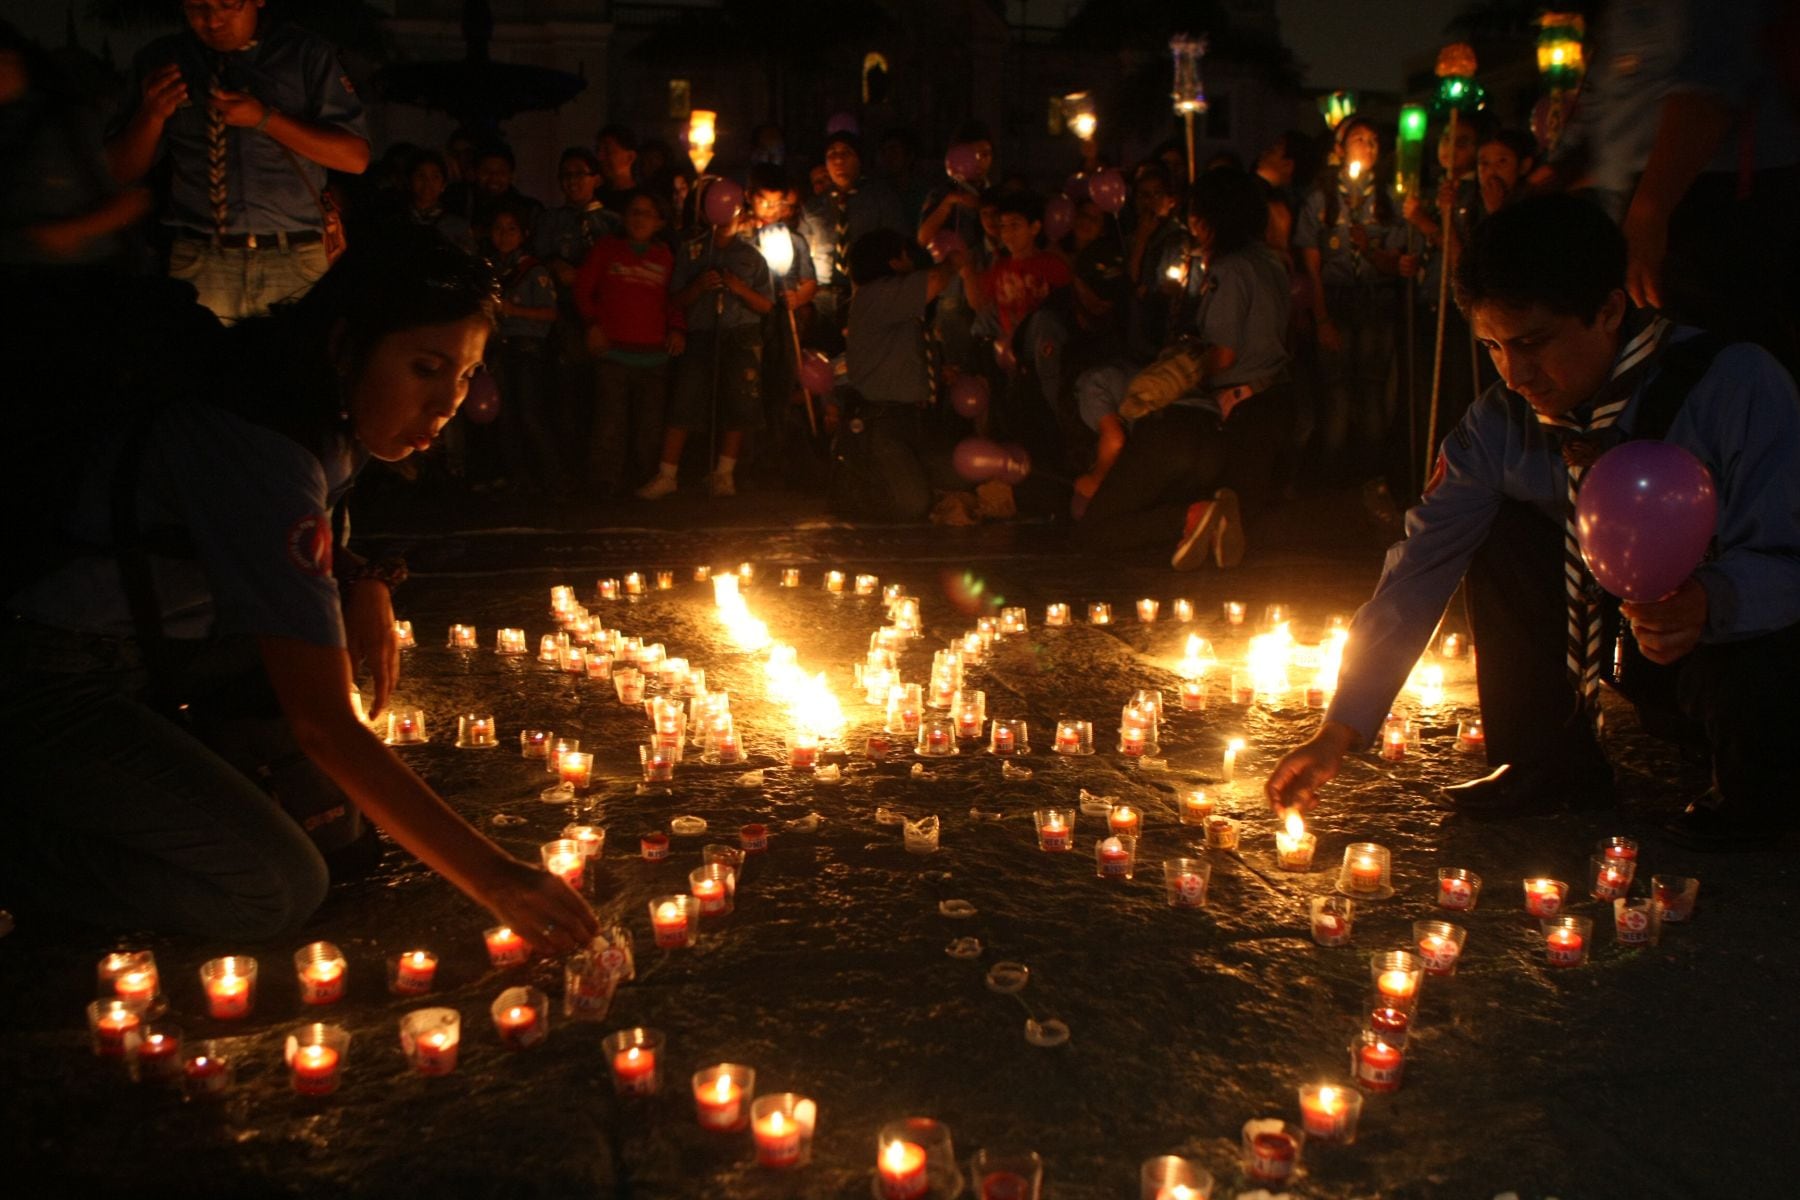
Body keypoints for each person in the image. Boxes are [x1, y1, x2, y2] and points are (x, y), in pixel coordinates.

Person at [0, 229, 603, 945]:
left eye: (467, 374)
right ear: (347, 346)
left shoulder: (317, 403)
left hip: (167, 651)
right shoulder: (258, 441)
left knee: (337, 835)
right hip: (49, 676)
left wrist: (365, 582)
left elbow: (301, 530)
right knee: (274, 883)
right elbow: (323, 723)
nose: (447, 402)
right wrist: (495, 878)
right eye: (424, 367)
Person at [1265, 194, 1800, 851]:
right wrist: (1339, 730)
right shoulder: (1500, 426)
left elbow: (1787, 554)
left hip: (1742, 648)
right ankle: (1547, 763)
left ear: (1607, 310)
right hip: (1623, 639)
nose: (1515, 375)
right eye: (1492, 346)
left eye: (1533, 343)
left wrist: (1713, 600)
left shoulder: (1734, 386)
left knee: (1764, 771)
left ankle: (1751, 782)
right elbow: (1420, 567)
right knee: (1505, 530)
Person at [1074, 168, 1293, 567]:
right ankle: (1195, 523)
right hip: (1268, 406)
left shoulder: (1229, 270)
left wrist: (1180, 369)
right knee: (1240, 534)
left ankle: (1189, 517)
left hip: (1223, 410)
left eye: (1197, 217)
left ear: (1213, 219)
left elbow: (1223, 355)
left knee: (1098, 528)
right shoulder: (1273, 263)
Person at [105, 0, 370, 322]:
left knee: (292, 367)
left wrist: (265, 119)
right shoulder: (163, 61)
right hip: (201, 259)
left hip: (294, 259)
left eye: (228, 5)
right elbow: (118, 171)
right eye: (197, 6)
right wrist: (151, 115)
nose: (213, 20)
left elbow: (355, 158)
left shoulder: (304, 55)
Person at [637, 187, 775, 499]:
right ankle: (667, 474)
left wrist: (738, 289)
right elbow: (675, 299)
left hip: (739, 335)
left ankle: (724, 473)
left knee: (737, 403)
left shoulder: (752, 257)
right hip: (701, 334)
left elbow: (767, 305)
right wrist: (699, 287)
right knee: (685, 399)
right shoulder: (692, 251)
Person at [1295, 116, 1408, 484]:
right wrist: (1322, 318)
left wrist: (1370, 249)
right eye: (1359, 139)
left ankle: (1371, 474)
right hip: (1337, 300)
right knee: (1336, 389)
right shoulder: (1320, 199)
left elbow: (1397, 261)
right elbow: (1311, 265)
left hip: (1375, 301)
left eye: (1374, 140)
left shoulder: (1390, 199)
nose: (1368, 146)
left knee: (1373, 387)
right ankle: (1330, 475)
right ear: (1340, 150)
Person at [829, 228, 966, 520]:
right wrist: (953, 262)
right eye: (904, 255)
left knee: (956, 480)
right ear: (892, 262)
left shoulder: (888, 302)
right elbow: (934, 280)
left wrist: (935, 371)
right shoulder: (878, 294)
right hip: (881, 422)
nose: (911, 261)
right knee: (911, 504)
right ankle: (858, 488)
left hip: (910, 418)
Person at [575, 189, 676, 497]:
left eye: (647, 213)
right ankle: (604, 483)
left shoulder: (665, 256)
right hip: (613, 352)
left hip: (654, 355)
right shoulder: (607, 249)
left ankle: (646, 480)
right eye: (634, 211)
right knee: (610, 422)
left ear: (659, 221)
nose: (639, 219)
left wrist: (678, 330)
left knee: (650, 425)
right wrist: (592, 324)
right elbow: (582, 289)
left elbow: (674, 298)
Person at [482, 203, 566, 495]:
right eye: (498, 229)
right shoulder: (488, 269)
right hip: (498, 348)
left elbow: (550, 313)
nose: (504, 235)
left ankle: (554, 477)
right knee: (504, 415)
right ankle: (519, 477)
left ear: (524, 234)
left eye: (511, 229)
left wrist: (514, 310)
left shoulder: (533, 270)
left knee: (531, 414)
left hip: (527, 348)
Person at [799, 130, 909, 344]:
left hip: (869, 293)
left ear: (859, 159)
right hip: (824, 298)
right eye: (832, 153)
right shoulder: (814, 207)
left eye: (846, 152)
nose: (838, 159)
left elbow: (898, 242)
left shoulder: (880, 198)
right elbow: (802, 254)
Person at [401, 148, 474, 252]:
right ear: (409, 181)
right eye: (421, 176)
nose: (427, 183)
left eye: (435, 177)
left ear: (443, 184)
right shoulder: (398, 222)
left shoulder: (457, 225)